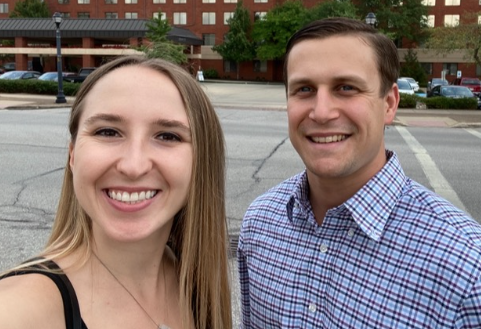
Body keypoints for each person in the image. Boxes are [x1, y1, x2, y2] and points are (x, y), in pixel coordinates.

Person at [238, 17, 481, 328]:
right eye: (304, 89)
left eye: (346, 88)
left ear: (389, 103)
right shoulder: (260, 224)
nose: (321, 112)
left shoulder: (466, 269)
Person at [0, 54, 232, 329]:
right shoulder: (18, 310)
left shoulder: (193, 280)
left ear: (202, 162)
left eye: (168, 136)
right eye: (108, 132)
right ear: (73, 155)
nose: (133, 166)